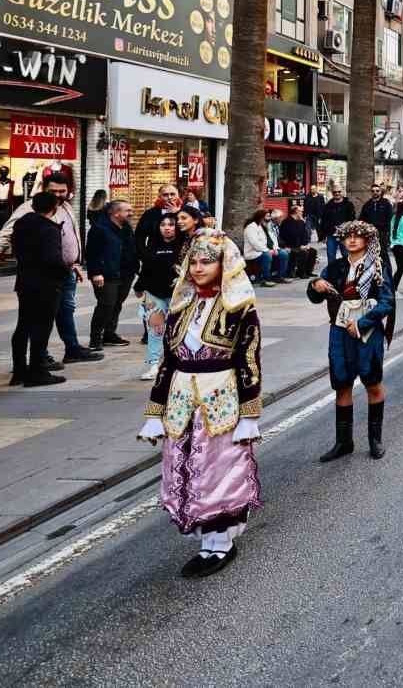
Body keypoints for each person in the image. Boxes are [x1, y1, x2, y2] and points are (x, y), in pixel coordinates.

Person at [137, 228, 263, 577]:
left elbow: (249, 359)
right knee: (185, 465)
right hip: (181, 400)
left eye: (207, 261)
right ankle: (205, 541)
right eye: (193, 261)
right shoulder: (181, 307)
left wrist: (249, 412)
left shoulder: (240, 308)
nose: (198, 267)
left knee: (218, 469)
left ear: (224, 265)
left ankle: (222, 542)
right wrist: (154, 410)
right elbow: (168, 361)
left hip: (221, 398)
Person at [0, 173, 100, 366]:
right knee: (42, 318)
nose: (58, 195)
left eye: (62, 191)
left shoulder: (67, 207)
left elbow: (71, 236)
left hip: (66, 270)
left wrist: (75, 262)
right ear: (44, 189)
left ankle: (72, 348)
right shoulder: (29, 209)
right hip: (46, 275)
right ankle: (40, 358)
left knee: (66, 310)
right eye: (53, 191)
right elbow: (9, 230)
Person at [308, 221, 395, 461]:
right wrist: (315, 286)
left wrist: (362, 323)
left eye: (358, 236)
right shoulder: (335, 267)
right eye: (348, 237)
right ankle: (343, 442)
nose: (352, 240)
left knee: (372, 381)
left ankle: (375, 440)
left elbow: (387, 302)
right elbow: (315, 295)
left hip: (367, 333)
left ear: (367, 240)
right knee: (342, 383)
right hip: (339, 332)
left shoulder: (378, 267)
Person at [9, 191, 67, 386]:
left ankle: (19, 371)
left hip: (25, 281)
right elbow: (52, 259)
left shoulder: (21, 224)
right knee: (41, 328)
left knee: (23, 326)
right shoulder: (49, 228)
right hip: (46, 284)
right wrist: (65, 273)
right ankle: (37, 372)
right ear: (54, 208)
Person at [133, 210, 186, 382]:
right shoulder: (153, 245)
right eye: (163, 225)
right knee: (155, 330)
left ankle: (179, 363)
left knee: (179, 330)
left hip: (178, 295)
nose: (167, 228)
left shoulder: (184, 246)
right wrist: (139, 286)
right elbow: (146, 268)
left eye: (171, 225)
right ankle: (154, 365)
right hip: (154, 294)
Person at [87, 199, 138, 349]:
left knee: (117, 305)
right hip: (107, 274)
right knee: (106, 305)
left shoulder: (126, 228)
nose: (131, 213)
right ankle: (95, 339)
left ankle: (109, 334)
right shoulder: (99, 228)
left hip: (126, 274)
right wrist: (96, 272)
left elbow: (131, 248)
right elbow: (92, 253)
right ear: (116, 213)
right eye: (127, 211)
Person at [241, 208, 287, 287]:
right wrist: (267, 250)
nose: (269, 219)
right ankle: (266, 279)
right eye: (267, 216)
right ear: (261, 217)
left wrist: (274, 248)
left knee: (283, 254)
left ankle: (280, 276)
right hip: (253, 252)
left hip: (264, 250)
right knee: (267, 256)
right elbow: (255, 243)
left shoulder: (261, 226)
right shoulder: (251, 227)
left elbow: (271, 239)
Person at [361, 184, 395, 285]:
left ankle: (388, 275)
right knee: (369, 255)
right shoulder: (367, 205)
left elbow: (389, 218)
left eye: (377, 191)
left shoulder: (386, 203)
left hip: (382, 233)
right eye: (373, 191)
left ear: (380, 192)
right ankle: (372, 276)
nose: (375, 193)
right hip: (370, 234)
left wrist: (385, 230)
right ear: (370, 192)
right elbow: (362, 219)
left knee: (383, 254)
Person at [133, 183, 183, 252]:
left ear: (178, 196)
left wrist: (178, 213)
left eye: (172, 194)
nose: (169, 197)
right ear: (159, 197)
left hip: (180, 254)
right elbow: (139, 236)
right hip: (155, 255)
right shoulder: (150, 213)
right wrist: (143, 255)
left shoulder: (186, 211)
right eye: (165, 195)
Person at [277, 201, 318, 280]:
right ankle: (301, 273)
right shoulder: (287, 222)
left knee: (313, 251)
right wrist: (300, 246)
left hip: (300, 245)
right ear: (296, 212)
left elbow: (304, 235)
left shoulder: (301, 222)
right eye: (301, 212)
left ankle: (308, 271)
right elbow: (289, 236)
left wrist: (306, 244)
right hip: (290, 245)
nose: (302, 213)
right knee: (303, 252)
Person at [319, 186, 356, 265]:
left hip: (345, 235)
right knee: (331, 256)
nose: (337, 194)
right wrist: (322, 235)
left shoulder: (348, 204)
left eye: (339, 192)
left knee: (347, 255)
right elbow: (324, 220)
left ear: (342, 192)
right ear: (332, 193)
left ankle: (348, 274)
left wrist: (350, 231)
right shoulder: (328, 206)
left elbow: (352, 219)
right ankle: (332, 275)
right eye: (335, 192)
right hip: (331, 235)